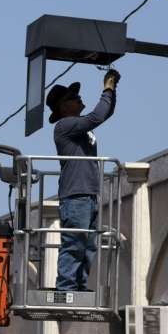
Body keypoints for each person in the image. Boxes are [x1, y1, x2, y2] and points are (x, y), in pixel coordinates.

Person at [45, 69, 120, 291]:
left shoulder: (78, 125)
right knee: (75, 244)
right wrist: (107, 89)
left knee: (88, 246)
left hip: (88, 194)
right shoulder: (65, 125)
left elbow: (104, 113)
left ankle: (79, 287)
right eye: (73, 97)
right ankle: (66, 288)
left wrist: (112, 91)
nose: (79, 98)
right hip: (76, 195)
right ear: (62, 107)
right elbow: (98, 116)